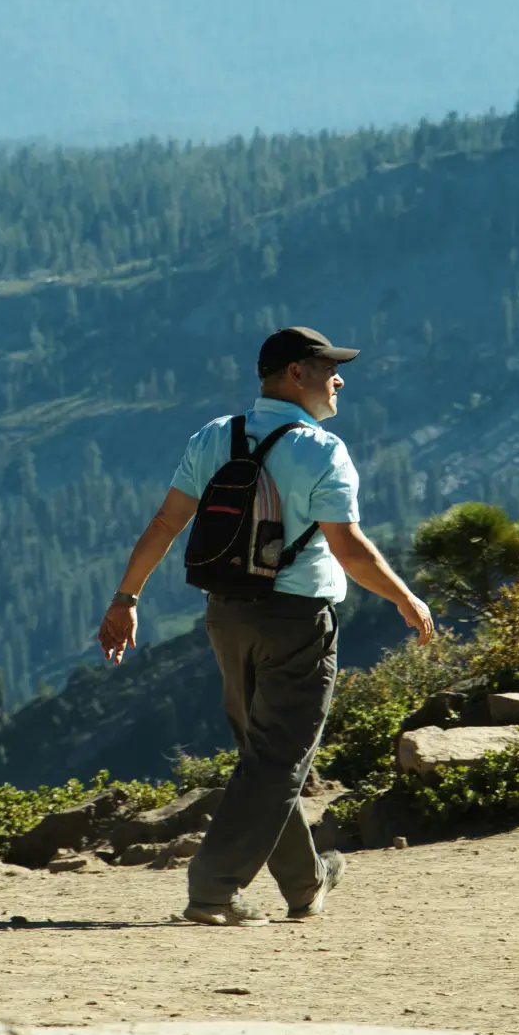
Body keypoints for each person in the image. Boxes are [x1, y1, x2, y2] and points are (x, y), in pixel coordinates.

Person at [97, 325, 434, 926]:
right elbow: (349, 548)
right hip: (297, 622)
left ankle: (307, 883)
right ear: (294, 375)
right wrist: (404, 597)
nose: (340, 377)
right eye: (328, 366)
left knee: (263, 757)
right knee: (277, 762)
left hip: (226, 618)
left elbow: (165, 523)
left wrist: (126, 597)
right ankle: (213, 888)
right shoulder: (321, 450)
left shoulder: (214, 437)